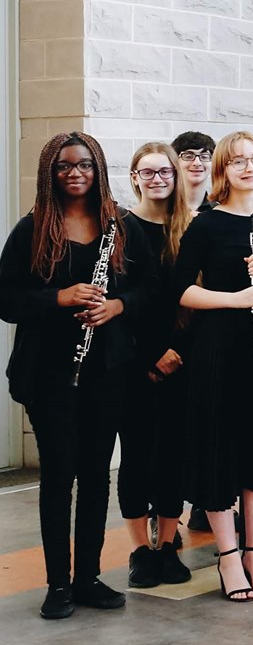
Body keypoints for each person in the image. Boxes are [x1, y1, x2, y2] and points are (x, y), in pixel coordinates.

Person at [0, 133, 147, 619]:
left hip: (108, 369)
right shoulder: (32, 229)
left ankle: (88, 577)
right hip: (49, 373)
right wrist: (57, 298)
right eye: (64, 167)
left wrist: (118, 305)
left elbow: (154, 289)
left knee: (96, 476)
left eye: (84, 164)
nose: (75, 173)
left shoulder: (121, 226)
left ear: (98, 168)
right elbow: (6, 300)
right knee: (58, 476)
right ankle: (57, 584)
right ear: (50, 172)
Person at [172, 130, 253, 603]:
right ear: (222, 171)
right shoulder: (207, 224)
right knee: (221, 450)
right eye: (238, 161)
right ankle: (228, 557)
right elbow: (181, 289)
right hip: (220, 349)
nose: (249, 167)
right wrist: (235, 299)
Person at [117, 143, 194, 590]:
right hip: (134, 361)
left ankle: (166, 545)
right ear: (134, 177)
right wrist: (150, 355)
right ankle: (139, 551)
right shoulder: (122, 229)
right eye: (148, 172)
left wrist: (176, 351)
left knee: (174, 455)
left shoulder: (191, 227)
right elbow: (124, 301)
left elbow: (198, 299)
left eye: (165, 171)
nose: (158, 178)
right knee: (137, 456)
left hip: (181, 359)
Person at [172, 131, 214, 217]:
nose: (197, 163)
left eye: (204, 156)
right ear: (174, 162)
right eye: (188, 156)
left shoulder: (219, 211)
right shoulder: (162, 209)